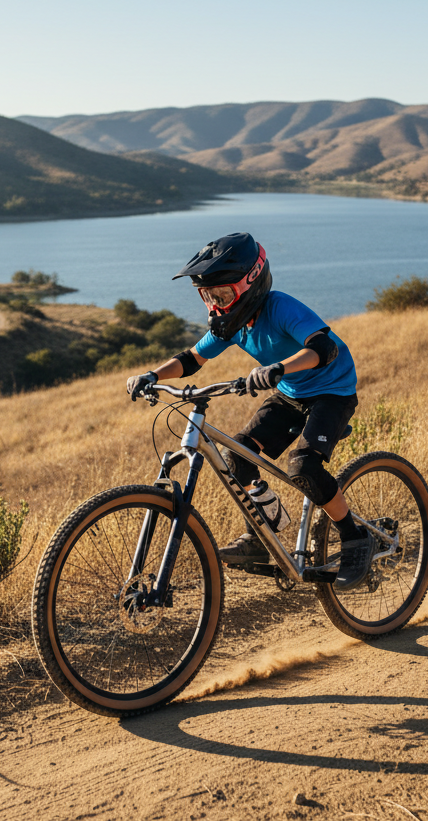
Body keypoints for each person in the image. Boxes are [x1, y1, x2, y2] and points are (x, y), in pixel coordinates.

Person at [126, 232, 371, 590]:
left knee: (304, 466)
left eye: (222, 294)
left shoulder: (280, 307)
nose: (215, 304)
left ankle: (354, 537)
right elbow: (192, 359)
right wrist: (152, 375)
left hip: (331, 392)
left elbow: (323, 348)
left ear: (251, 281)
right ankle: (262, 531)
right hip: (290, 394)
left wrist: (279, 369)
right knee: (237, 455)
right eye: (208, 296)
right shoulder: (232, 324)